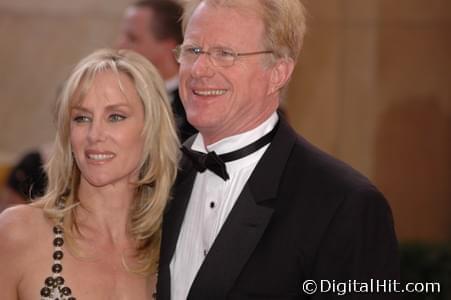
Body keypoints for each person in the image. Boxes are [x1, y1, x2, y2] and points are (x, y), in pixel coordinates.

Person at [156, 0, 400, 299]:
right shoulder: (154, 179)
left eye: (225, 54)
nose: (200, 69)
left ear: (278, 73)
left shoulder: (345, 205)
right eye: (193, 50)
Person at [0, 49, 179, 299]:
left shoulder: (173, 249)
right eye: (82, 118)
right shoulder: (18, 232)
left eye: (115, 117)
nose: (94, 135)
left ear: (151, 128)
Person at [117, 0, 197, 141]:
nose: (120, 45)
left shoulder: (193, 103)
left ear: (167, 46)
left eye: (133, 38)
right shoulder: (119, 94)